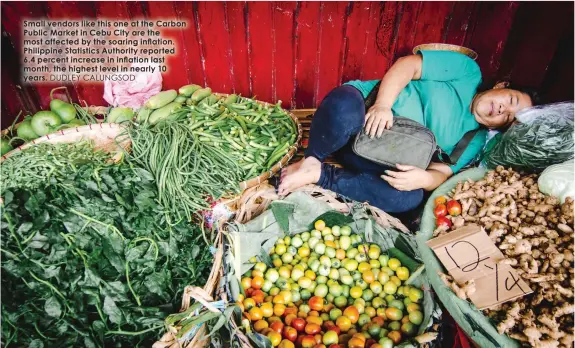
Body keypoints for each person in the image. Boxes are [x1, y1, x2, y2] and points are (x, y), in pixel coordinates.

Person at [278, 50, 539, 213]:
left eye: (507, 118)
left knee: (408, 199)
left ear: (497, 128)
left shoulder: (476, 138)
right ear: (502, 85)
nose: (501, 110)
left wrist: (423, 180)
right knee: (343, 104)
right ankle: (313, 158)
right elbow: (408, 65)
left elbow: (441, 172)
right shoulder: (468, 73)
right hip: (362, 115)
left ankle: (321, 175)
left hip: (376, 156)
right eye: (511, 100)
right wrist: (383, 105)